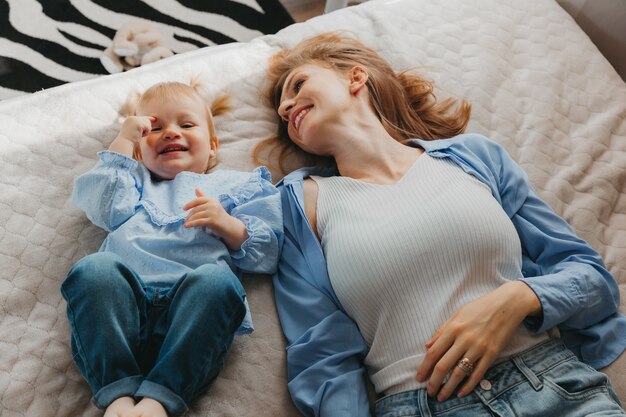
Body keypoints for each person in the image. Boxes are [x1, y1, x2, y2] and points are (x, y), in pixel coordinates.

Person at [255, 32, 626, 417]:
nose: (287, 107)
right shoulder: (299, 207)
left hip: (553, 386)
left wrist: (517, 298)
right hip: (420, 406)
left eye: (298, 85)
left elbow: (593, 281)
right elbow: (322, 358)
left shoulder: (474, 158)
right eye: (283, 110)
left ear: (355, 77)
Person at [61, 81, 283, 417]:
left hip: (190, 314)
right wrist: (123, 141)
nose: (170, 133)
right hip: (124, 308)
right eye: (155, 128)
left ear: (212, 145)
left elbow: (268, 252)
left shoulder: (234, 187)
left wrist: (228, 224)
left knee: (217, 283)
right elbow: (102, 205)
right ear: (139, 151)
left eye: (187, 125)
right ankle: (118, 396)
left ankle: (158, 401)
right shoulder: (132, 185)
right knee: (94, 270)